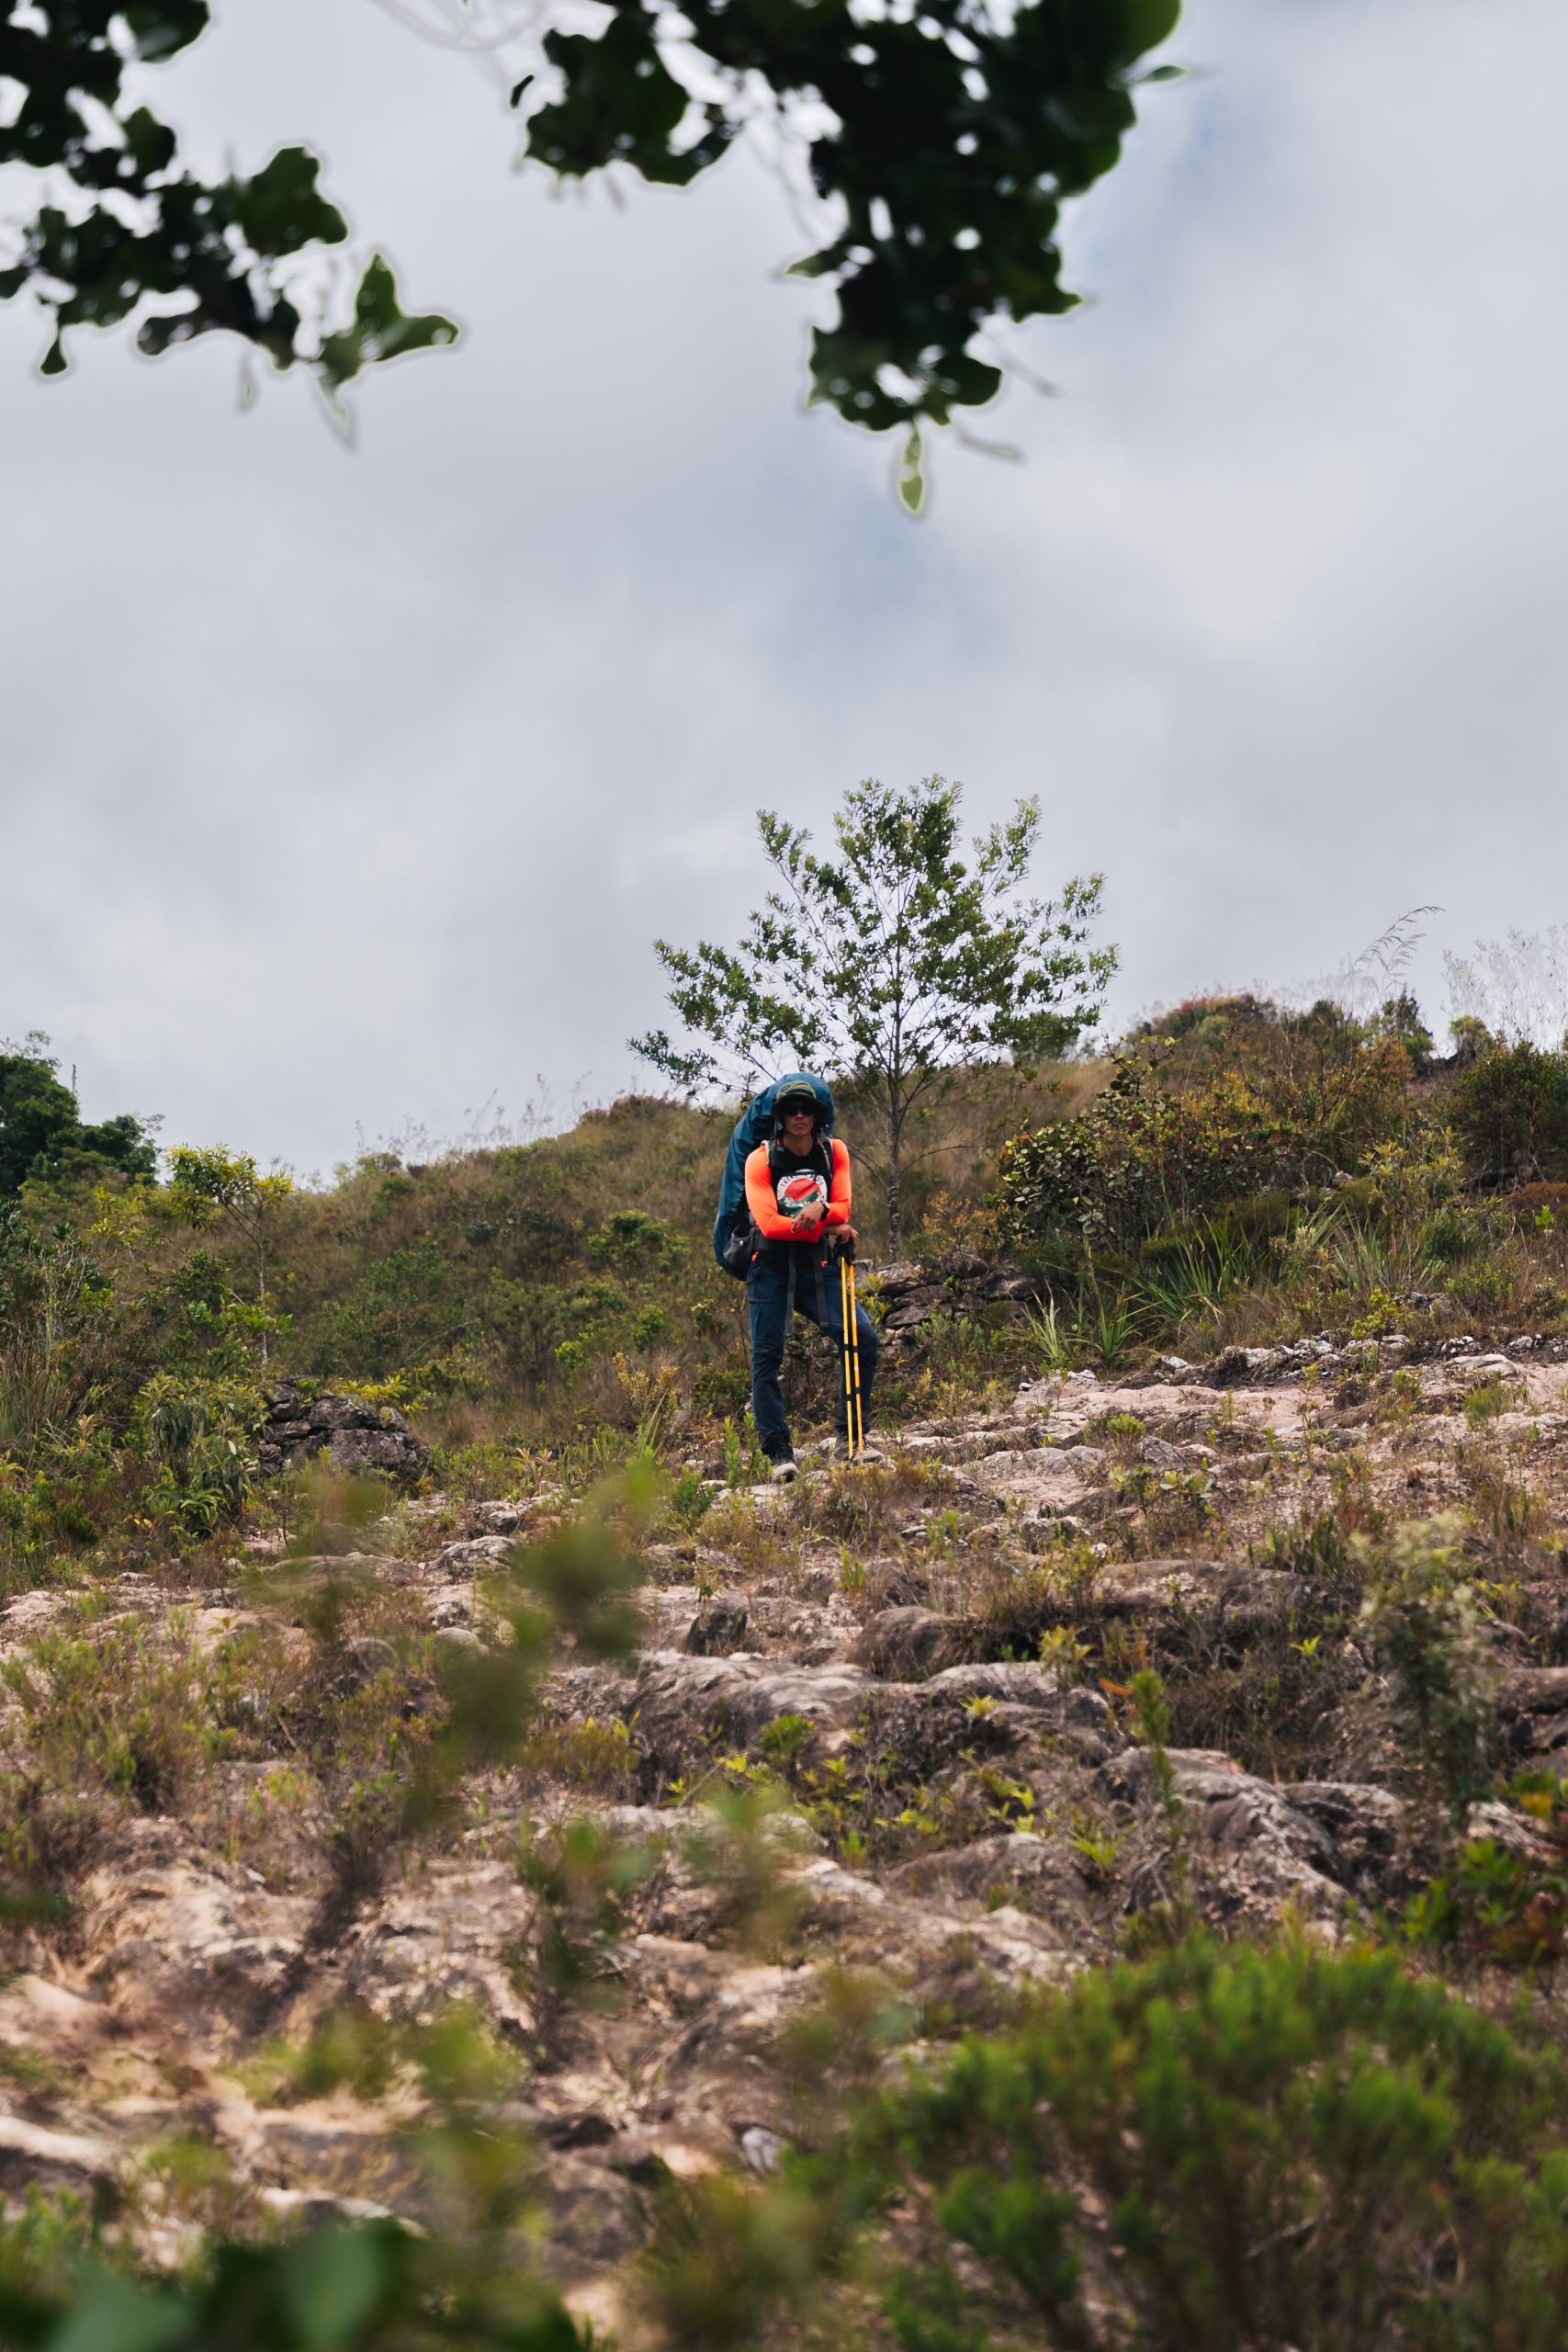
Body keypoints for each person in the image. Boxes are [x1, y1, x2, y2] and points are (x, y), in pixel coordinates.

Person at [742, 1076, 879, 1482]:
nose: (799, 1116)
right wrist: (830, 1227)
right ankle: (779, 1452)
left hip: (816, 1268)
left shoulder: (833, 1151)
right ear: (780, 1117)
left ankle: (851, 1440)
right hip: (768, 1268)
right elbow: (769, 1225)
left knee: (861, 1338)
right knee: (767, 1358)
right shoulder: (760, 1160)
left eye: (806, 1109)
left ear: (819, 1115)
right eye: (790, 1110)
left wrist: (823, 1212)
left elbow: (844, 1206)